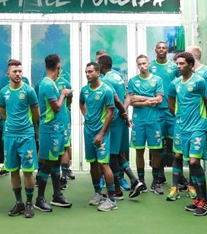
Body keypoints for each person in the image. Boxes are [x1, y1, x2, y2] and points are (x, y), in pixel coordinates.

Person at [167, 51, 207, 216]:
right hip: (182, 128)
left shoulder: (201, 82)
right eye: (177, 64)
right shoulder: (175, 83)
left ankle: (206, 201)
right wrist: (179, 118)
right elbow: (171, 101)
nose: (179, 67)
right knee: (188, 162)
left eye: (182, 64)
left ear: (191, 65)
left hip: (199, 127)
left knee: (194, 162)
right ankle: (199, 199)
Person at [96, 54, 144, 199]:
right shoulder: (118, 76)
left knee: (112, 155)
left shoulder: (105, 80)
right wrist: (125, 114)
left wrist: (121, 113)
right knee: (117, 155)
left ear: (102, 66)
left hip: (114, 120)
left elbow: (116, 100)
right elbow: (126, 97)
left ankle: (129, 183)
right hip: (120, 120)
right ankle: (126, 185)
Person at [0, 59, 40, 218]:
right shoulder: (3, 92)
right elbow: (3, 113)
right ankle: (19, 203)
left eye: (20, 71)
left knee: (28, 171)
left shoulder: (29, 91)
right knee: (13, 171)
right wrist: (12, 125)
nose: (17, 74)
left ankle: (29, 204)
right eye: (14, 71)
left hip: (26, 136)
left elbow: (36, 114)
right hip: (10, 136)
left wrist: (27, 127)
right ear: (8, 74)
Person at [35, 54, 74, 212]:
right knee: (48, 164)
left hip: (57, 129)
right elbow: (56, 107)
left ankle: (57, 195)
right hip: (50, 130)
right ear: (58, 68)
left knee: (56, 161)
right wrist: (64, 94)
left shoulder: (47, 83)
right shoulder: (47, 85)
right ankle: (39, 199)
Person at [80, 62, 117, 212]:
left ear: (98, 73)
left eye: (90, 72)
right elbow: (81, 103)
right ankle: (97, 193)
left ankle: (112, 199)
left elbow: (110, 113)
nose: (88, 75)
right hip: (88, 131)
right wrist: (86, 115)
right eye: (86, 72)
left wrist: (101, 134)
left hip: (101, 132)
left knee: (104, 164)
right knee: (93, 164)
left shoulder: (106, 90)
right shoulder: (84, 90)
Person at [126, 54, 164, 194]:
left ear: (148, 64)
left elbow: (159, 100)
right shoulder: (133, 81)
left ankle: (156, 182)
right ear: (137, 66)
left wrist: (140, 98)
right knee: (139, 151)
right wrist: (148, 100)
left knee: (155, 152)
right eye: (139, 64)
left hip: (154, 121)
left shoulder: (157, 80)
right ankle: (141, 182)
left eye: (144, 63)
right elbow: (130, 101)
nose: (142, 66)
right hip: (138, 121)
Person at [149, 41, 180, 189]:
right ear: (155, 50)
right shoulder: (150, 66)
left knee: (175, 146)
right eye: (159, 47)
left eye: (164, 48)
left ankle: (178, 176)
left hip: (171, 110)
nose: (161, 50)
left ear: (167, 50)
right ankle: (159, 176)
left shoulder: (174, 67)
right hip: (156, 111)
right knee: (158, 147)